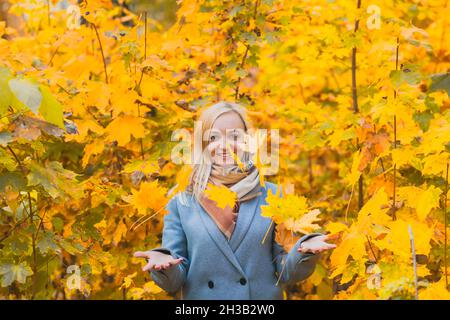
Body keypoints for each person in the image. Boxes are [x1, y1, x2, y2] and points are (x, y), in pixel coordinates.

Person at [134, 101, 336, 299]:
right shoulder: (182, 202)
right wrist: (165, 267)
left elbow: (286, 270)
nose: (224, 145)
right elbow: (175, 281)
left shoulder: (273, 195)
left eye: (235, 136)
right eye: (213, 137)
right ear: (203, 145)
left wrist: (304, 252)